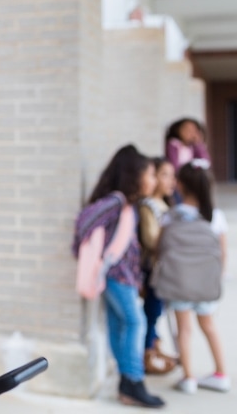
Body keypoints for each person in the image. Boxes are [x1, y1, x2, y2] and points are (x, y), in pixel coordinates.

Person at [78, 145, 164, 409]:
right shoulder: (116, 201)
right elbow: (85, 222)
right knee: (135, 322)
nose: (154, 181)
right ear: (134, 175)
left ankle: (127, 382)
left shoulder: (129, 205)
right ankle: (133, 380)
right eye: (150, 175)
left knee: (119, 323)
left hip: (125, 277)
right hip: (116, 276)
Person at [159, 160, 230, 395]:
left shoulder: (170, 217)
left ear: (179, 185)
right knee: (209, 326)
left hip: (179, 283)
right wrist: (216, 280)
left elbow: (160, 249)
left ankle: (188, 377)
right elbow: (222, 254)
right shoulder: (215, 217)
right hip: (206, 284)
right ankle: (221, 374)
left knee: (184, 329)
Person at [137, 157, 177, 375]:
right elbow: (151, 239)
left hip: (166, 270)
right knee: (151, 312)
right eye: (163, 175)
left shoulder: (167, 204)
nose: (171, 180)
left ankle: (155, 348)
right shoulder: (148, 206)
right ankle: (147, 355)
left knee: (158, 312)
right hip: (153, 270)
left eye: (172, 175)